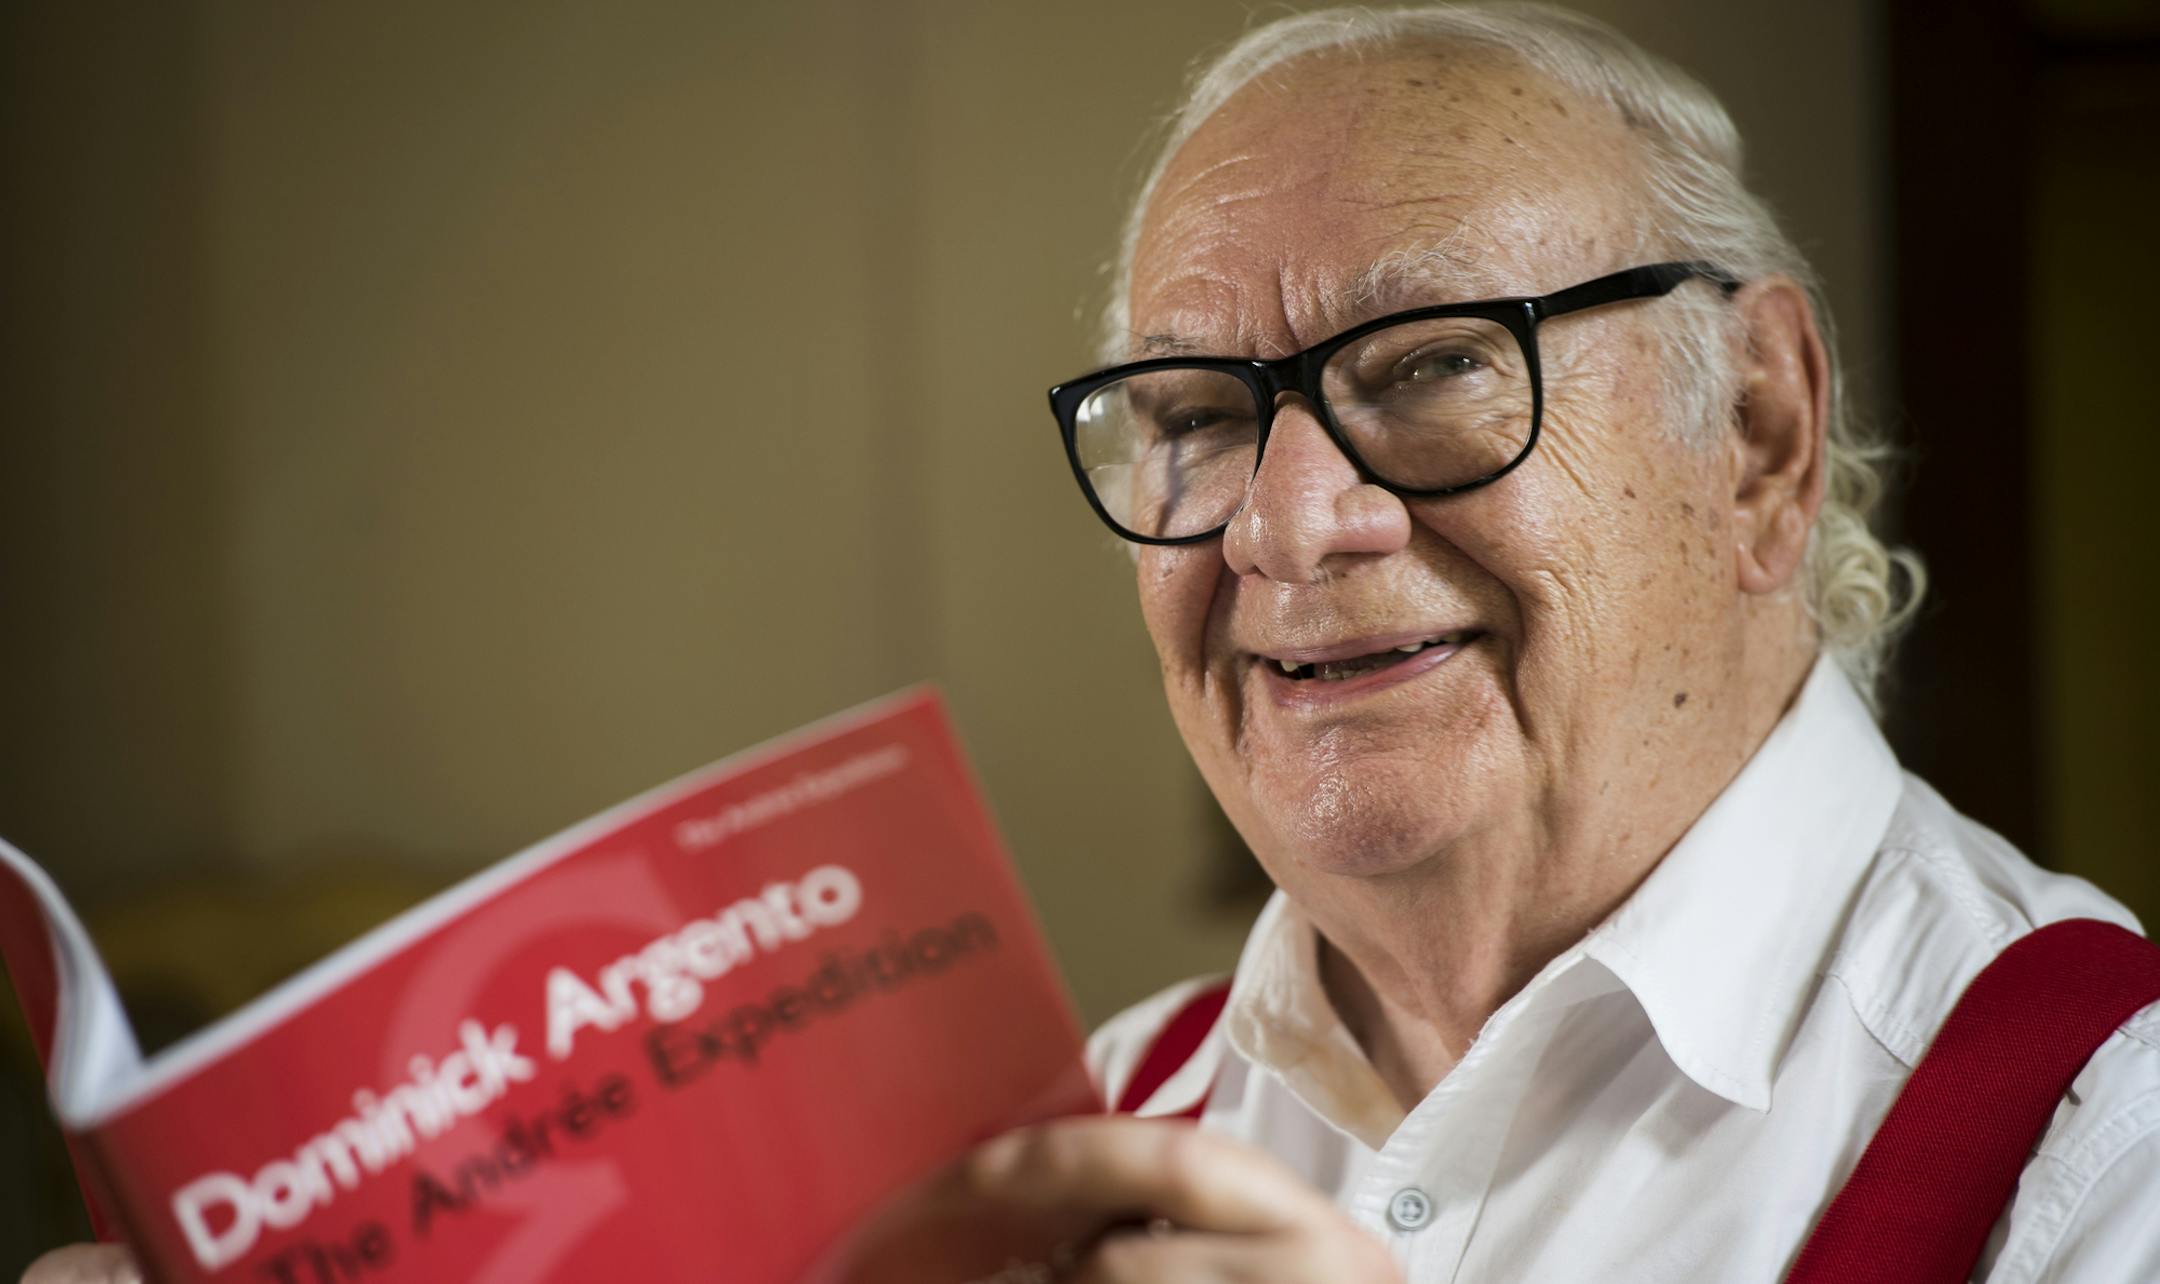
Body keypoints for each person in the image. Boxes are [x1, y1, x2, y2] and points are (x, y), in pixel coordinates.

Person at [23, 4, 2159, 1282]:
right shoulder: (1056, 1133)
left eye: (1435, 365)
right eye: (1200, 415)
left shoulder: (2103, 1138)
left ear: (1760, 432)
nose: (1287, 525)